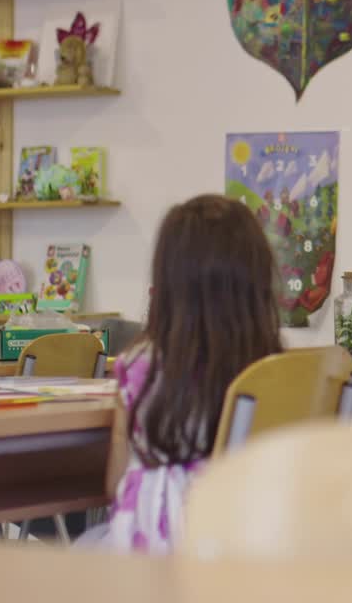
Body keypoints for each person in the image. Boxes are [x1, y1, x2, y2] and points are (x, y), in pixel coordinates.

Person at [99, 195, 284, 552]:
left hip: (166, 559)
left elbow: (114, 484)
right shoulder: (274, 367)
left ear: (168, 286)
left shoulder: (140, 367)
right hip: (257, 549)